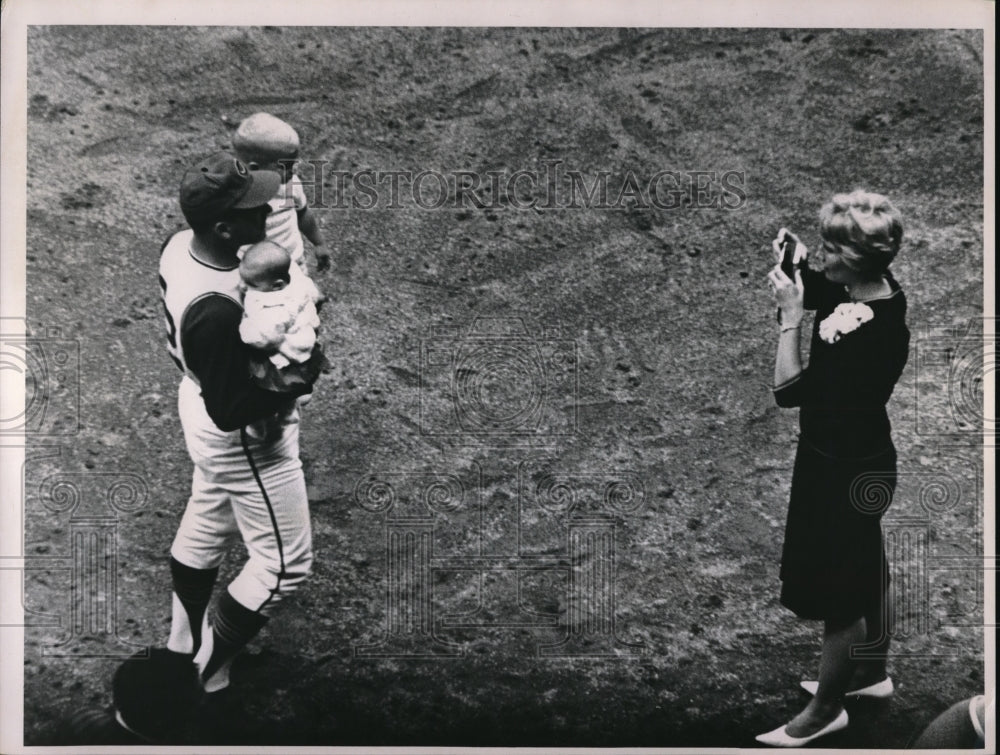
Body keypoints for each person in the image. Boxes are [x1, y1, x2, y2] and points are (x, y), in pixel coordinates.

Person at [110, 153, 317, 743]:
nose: (269, 208)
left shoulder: (182, 244)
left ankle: (186, 648)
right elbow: (234, 407)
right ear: (224, 228)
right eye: (254, 207)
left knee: (208, 520)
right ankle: (198, 677)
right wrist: (303, 374)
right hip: (239, 432)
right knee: (283, 566)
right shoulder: (217, 310)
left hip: (198, 400)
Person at [756, 190, 910, 747]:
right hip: (854, 458)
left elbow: (789, 390)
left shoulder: (871, 338)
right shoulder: (876, 292)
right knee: (868, 568)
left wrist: (790, 320)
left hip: (842, 472)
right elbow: (826, 288)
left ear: (858, 259)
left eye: (828, 248)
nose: (822, 256)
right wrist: (794, 262)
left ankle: (826, 711)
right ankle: (870, 676)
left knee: (841, 599)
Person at [238, 239, 327, 439]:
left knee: (267, 393)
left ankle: (260, 424)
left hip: (282, 361)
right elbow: (316, 295)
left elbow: (265, 338)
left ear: (276, 286)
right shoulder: (297, 283)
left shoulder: (276, 310)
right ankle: (289, 415)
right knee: (290, 394)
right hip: (303, 351)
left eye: (251, 284)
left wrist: (244, 328)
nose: (243, 287)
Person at [232, 112, 330, 276]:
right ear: (255, 168)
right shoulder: (233, 193)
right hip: (250, 272)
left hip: (292, 264)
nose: (294, 170)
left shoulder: (290, 184)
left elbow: (303, 214)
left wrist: (319, 243)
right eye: (287, 166)